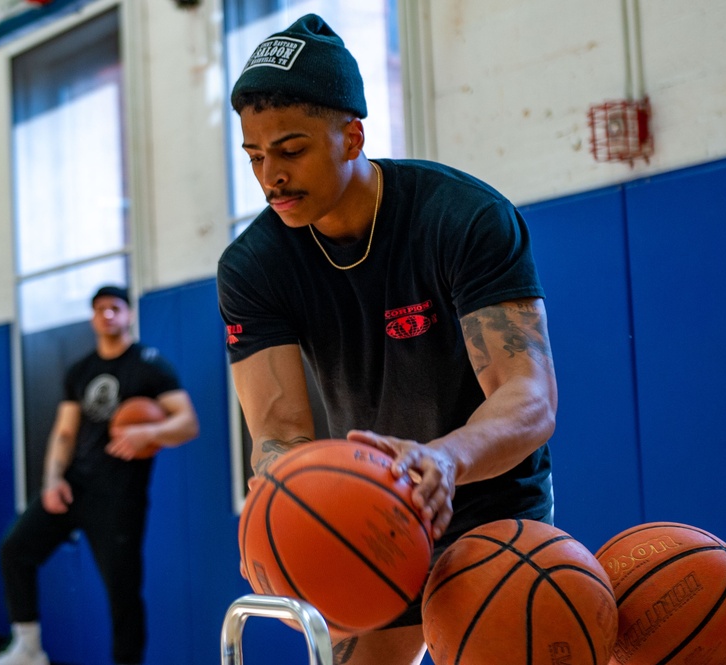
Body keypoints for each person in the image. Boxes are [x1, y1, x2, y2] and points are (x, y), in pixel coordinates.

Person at [217, 14, 557, 665]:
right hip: (366, 508)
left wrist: (446, 462)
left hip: (487, 494)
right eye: (255, 156)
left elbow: (529, 396)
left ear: (352, 136)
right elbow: (278, 428)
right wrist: (286, 515)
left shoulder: (464, 218)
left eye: (290, 150)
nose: (270, 177)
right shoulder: (253, 266)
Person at [0, 285, 200, 665]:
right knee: (14, 550)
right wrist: (52, 480)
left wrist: (149, 432)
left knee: (122, 591)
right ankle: (28, 649)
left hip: (120, 495)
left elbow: (188, 423)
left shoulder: (150, 365)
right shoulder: (81, 370)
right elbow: (64, 431)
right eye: (99, 310)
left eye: (114, 308)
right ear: (93, 318)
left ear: (128, 314)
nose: (106, 315)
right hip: (75, 485)